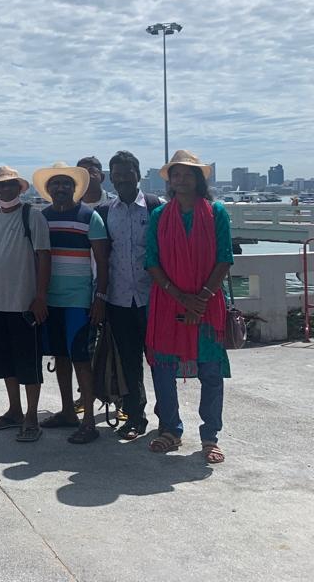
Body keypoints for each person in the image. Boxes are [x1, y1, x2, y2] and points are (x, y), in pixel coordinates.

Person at [144, 150, 232, 464]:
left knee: (211, 371)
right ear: (170, 180)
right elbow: (151, 262)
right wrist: (182, 298)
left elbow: (224, 258)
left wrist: (201, 298)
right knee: (163, 369)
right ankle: (170, 429)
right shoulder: (159, 216)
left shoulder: (216, 212)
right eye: (176, 174)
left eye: (188, 174)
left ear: (198, 179)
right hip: (168, 303)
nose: (181, 179)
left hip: (207, 303)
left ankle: (210, 436)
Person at [32, 162, 109, 444]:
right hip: (50, 300)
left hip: (79, 300)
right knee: (60, 357)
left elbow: (103, 262)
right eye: (56, 183)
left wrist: (100, 298)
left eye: (66, 183)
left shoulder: (90, 217)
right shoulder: (42, 218)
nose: (61, 188)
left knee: (81, 359)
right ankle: (67, 411)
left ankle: (88, 421)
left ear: (75, 188)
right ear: (48, 189)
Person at [0, 166, 51, 443]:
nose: (5, 189)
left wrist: (40, 297)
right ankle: (15, 410)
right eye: (0, 186)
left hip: (24, 304)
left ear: (20, 188)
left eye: (10, 185)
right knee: (5, 362)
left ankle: (31, 416)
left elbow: (44, 257)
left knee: (28, 363)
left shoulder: (33, 216)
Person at [96, 150, 161, 440]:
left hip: (153, 298)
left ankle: (167, 418)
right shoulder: (105, 212)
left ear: (138, 174)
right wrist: (99, 297)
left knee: (160, 361)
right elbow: (101, 258)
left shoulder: (155, 207)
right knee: (129, 362)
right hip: (119, 299)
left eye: (127, 173)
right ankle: (135, 416)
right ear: (111, 177)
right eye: (117, 174)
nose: (122, 179)